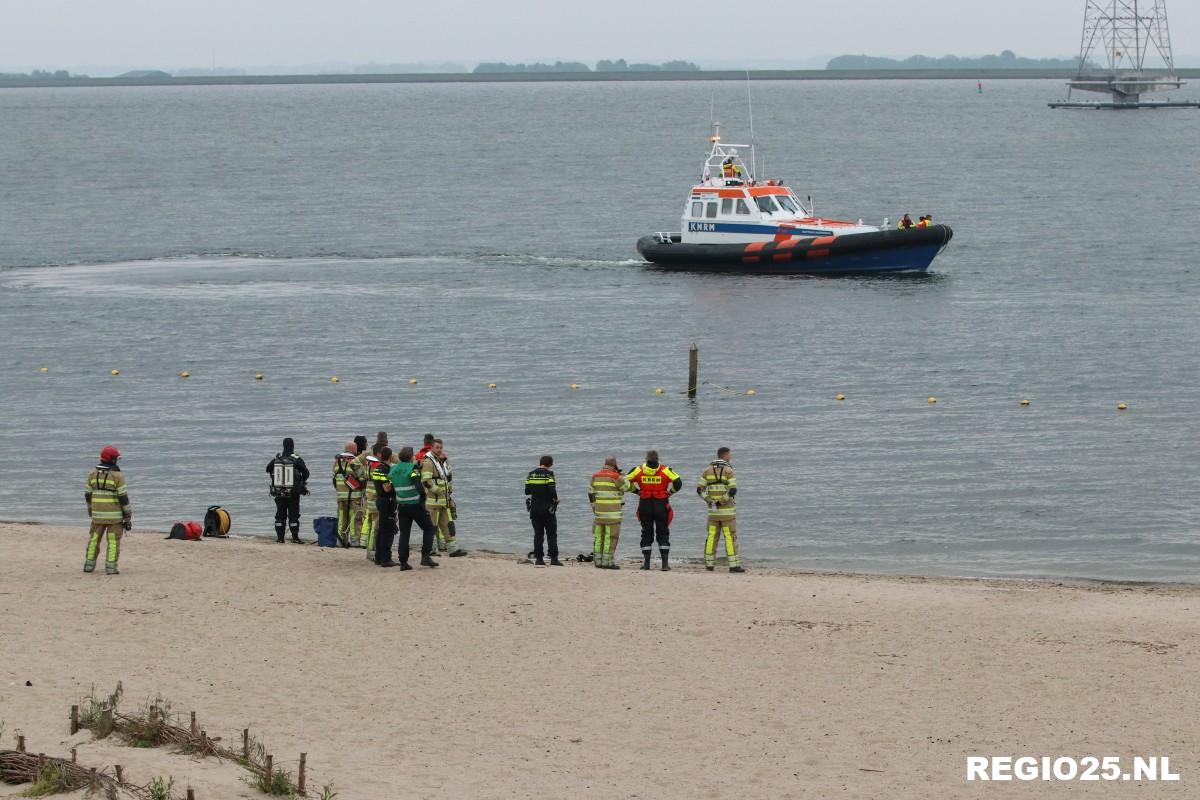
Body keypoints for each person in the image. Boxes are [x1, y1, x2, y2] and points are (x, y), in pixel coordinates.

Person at [626, 450, 682, 571]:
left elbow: (624, 482)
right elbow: (678, 483)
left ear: (646, 459)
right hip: (661, 504)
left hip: (645, 504)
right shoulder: (665, 470)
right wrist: (670, 493)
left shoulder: (638, 470)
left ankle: (646, 564)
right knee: (663, 532)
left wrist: (636, 491)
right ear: (657, 459)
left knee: (646, 532)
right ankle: (665, 565)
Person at [84, 445, 131, 574]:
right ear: (112, 459)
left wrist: (90, 510)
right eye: (116, 458)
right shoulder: (118, 476)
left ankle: (89, 565)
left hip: (97, 516)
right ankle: (111, 568)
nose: (117, 460)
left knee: (94, 540)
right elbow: (123, 498)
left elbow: (87, 495)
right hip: (114, 517)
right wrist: (128, 515)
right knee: (113, 542)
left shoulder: (92, 473)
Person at [698, 447, 744, 573]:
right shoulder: (729, 470)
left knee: (711, 537)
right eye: (730, 455)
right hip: (727, 512)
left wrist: (709, 500)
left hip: (712, 513)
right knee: (730, 538)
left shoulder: (707, 470)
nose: (731, 457)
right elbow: (733, 490)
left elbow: (699, 490)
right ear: (725, 455)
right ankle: (734, 566)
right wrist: (721, 501)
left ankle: (709, 564)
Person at [392, 446, 439, 568]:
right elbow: (418, 485)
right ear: (410, 456)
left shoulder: (394, 469)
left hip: (402, 505)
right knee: (429, 528)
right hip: (415, 504)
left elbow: (398, 477)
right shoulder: (412, 469)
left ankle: (403, 562)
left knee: (404, 534)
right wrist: (423, 498)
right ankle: (425, 556)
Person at [420, 439, 466, 557]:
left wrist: (448, 493)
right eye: (437, 447)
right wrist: (438, 491)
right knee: (431, 527)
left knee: (448, 525)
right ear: (431, 448)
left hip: (444, 501)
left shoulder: (442, 462)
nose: (439, 450)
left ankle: (453, 549)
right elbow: (426, 481)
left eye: (441, 447)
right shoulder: (428, 462)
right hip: (433, 502)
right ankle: (430, 550)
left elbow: (447, 479)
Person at [267, 437, 310, 543]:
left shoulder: (277, 458)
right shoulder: (296, 458)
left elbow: (267, 469)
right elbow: (306, 473)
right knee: (293, 515)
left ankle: (280, 538)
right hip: (293, 493)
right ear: (293, 446)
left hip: (279, 492)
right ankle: (295, 538)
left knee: (280, 515)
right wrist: (301, 481)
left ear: (283, 446)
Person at [588, 456, 627, 569]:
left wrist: (594, 508)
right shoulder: (615, 476)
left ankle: (598, 561)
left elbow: (590, 493)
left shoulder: (595, 476)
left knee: (599, 537)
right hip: (612, 514)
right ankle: (607, 562)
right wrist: (623, 476)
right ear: (615, 464)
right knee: (611, 537)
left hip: (599, 513)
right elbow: (626, 487)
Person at [524, 455, 561, 566]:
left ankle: (539, 559)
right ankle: (554, 559)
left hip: (534, 509)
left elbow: (527, 491)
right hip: (547, 509)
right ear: (550, 464)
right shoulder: (549, 475)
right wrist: (556, 500)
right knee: (551, 534)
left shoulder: (531, 474)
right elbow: (552, 490)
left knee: (538, 535)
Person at [332, 441, 358, 547]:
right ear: (353, 449)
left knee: (342, 519)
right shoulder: (354, 461)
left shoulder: (336, 461)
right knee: (353, 519)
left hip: (340, 495)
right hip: (353, 496)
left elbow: (334, 478)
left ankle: (340, 541)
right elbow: (362, 477)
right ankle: (355, 541)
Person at [363, 443, 385, 562]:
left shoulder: (369, 465)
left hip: (369, 499)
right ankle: (372, 551)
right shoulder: (377, 466)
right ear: (379, 454)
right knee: (375, 527)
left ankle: (369, 550)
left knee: (371, 525)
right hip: (376, 499)